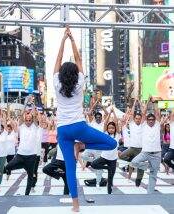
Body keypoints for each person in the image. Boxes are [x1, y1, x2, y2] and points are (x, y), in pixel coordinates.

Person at [53, 26, 116, 212]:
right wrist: (72, 40)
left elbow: (57, 60)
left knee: (70, 168)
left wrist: (63, 41)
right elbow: (79, 59)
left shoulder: (56, 84)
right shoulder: (80, 83)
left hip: (63, 131)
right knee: (112, 144)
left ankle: (75, 206)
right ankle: (82, 146)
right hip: (79, 127)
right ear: (75, 75)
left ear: (62, 75)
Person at [5, 106, 42, 195]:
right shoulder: (21, 126)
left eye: (30, 120)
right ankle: (23, 166)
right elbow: (21, 116)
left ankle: (27, 194)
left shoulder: (35, 126)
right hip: (20, 154)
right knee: (8, 167)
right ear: (24, 120)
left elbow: (36, 118)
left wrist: (33, 106)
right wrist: (25, 105)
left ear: (32, 120)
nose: (28, 121)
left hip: (32, 156)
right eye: (27, 120)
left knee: (30, 176)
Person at [130, 98, 164, 194]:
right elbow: (144, 113)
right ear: (146, 120)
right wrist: (148, 101)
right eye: (149, 119)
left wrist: (153, 103)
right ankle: (147, 166)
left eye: (152, 119)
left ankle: (150, 193)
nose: (151, 121)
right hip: (145, 153)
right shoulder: (143, 125)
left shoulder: (157, 125)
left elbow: (157, 113)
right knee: (133, 162)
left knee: (153, 175)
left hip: (156, 154)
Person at [91, 108, 121, 194]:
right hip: (104, 157)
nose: (111, 129)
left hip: (113, 159)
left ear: (115, 129)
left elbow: (116, 122)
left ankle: (109, 193)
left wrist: (113, 112)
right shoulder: (105, 134)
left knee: (110, 180)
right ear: (107, 129)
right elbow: (105, 123)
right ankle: (107, 168)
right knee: (94, 164)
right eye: (109, 128)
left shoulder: (117, 135)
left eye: (113, 128)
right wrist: (108, 115)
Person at [119, 99, 144, 185]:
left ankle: (138, 180)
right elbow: (132, 113)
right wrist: (134, 103)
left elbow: (143, 113)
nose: (137, 120)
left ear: (141, 119)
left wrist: (140, 103)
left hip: (141, 149)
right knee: (121, 156)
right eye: (136, 118)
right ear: (134, 119)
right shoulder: (132, 124)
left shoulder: (143, 125)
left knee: (141, 165)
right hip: (132, 148)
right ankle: (132, 160)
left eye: (139, 119)